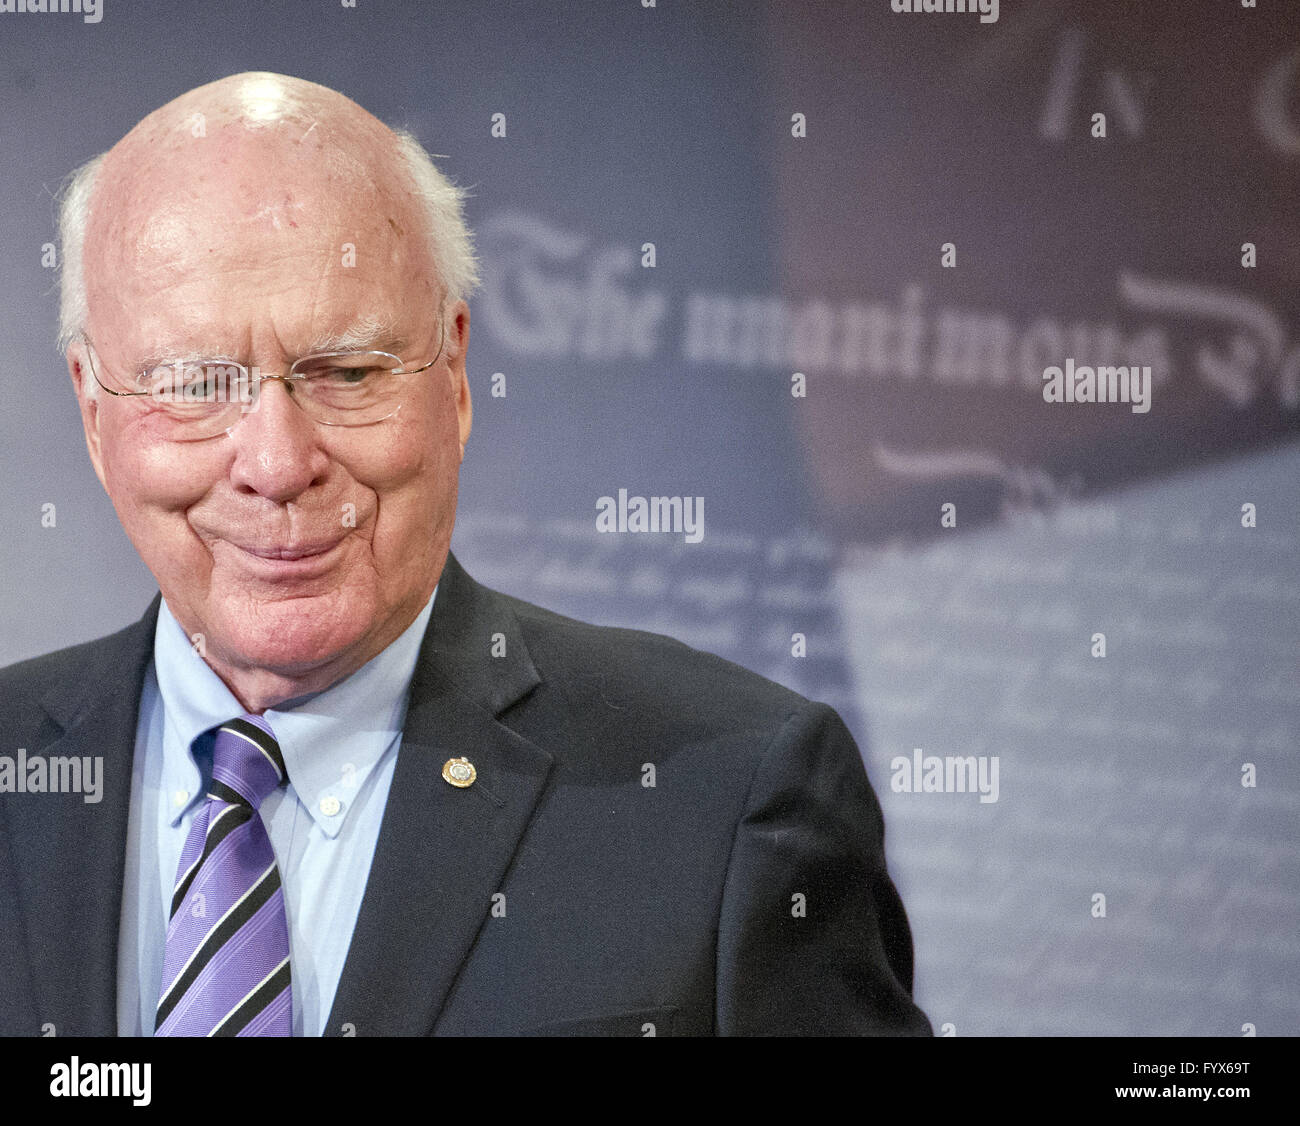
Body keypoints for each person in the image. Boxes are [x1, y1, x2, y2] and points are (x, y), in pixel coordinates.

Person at [0, 72, 930, 1037]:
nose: (276, 464)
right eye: (196, 384)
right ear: (93, 411)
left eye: (348, 371)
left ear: (453, 374)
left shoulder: (730, 799)